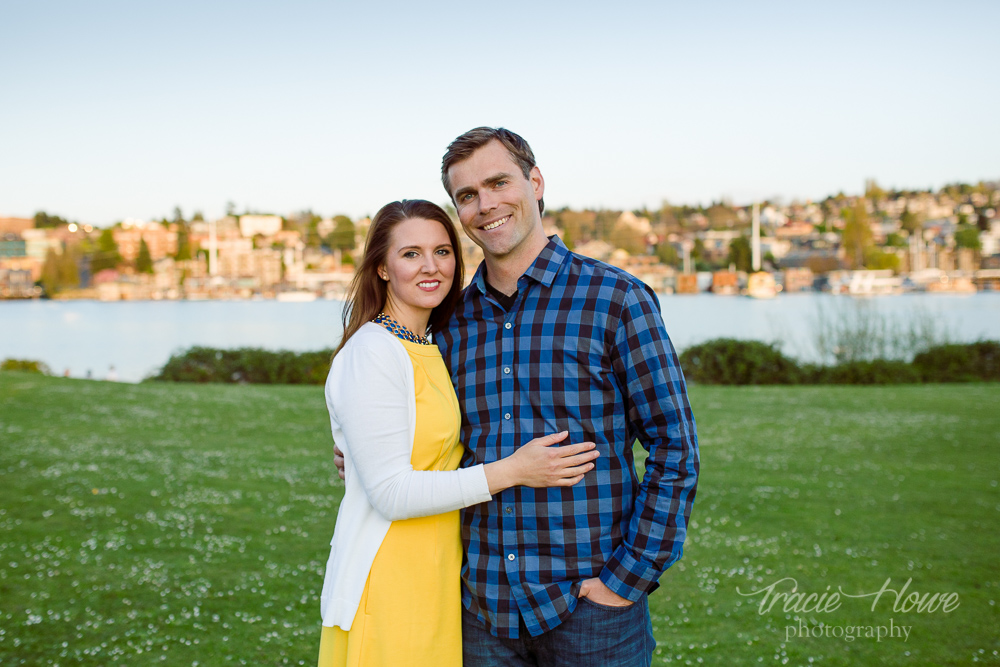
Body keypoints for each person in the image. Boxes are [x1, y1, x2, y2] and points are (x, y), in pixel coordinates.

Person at [339, 129, 700, 665]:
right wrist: (370, 459)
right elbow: (425, 428)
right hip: (481, 609)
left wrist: (626, 580)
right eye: (466, 196)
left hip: (590, 610)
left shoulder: (615, 299)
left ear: (534, 182)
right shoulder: (450, 321)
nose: (485, 205)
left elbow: (675, 448)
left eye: (498, 182)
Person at [317, 199, 599, 667]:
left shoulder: (431, 343)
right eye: (410, 254)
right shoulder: (374, 351)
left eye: (442, 251)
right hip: (389, 578)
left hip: (438, 577)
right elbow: (390, 493)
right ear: (382, 268)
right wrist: (512, 471)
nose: (431, 267)